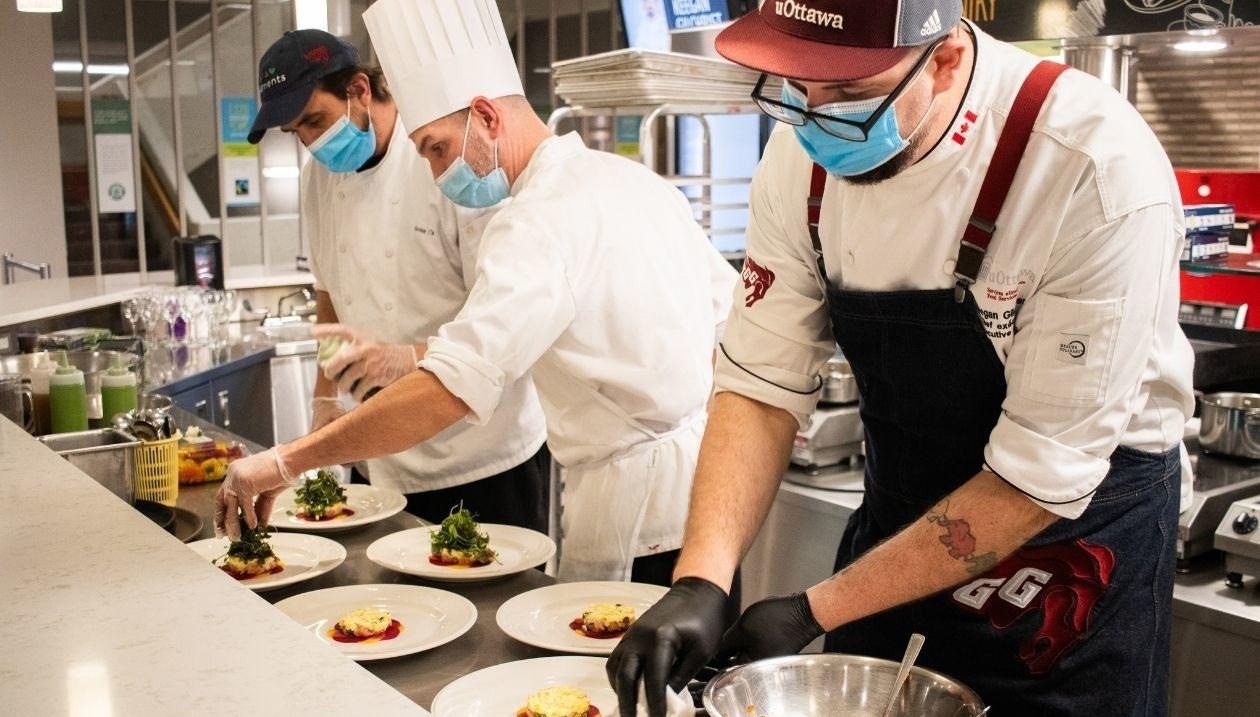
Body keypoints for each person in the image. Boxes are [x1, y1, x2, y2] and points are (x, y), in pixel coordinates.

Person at [609, 1, 1195, 715]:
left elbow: (1037, 477)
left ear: (945, 58)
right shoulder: (800, 157)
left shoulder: (1091, 167)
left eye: (850, 94)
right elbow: (760, 384)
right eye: (796, 88)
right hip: (900, 524)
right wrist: (701, 577)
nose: (814, 119)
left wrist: (814, 608)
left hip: (1068, 560)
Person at [216, 0, 739, 586]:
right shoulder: (636, 181)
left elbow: (450, 387)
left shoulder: (533, 221)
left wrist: (286, 460)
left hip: (632, 513)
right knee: (703, 677)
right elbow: (735, 319)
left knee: (624, 673)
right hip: (712, 506)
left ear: (487, 116)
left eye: (437, 148)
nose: (439, 174)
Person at [243, 30, 550, 530]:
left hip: (482, 454)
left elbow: (499, 317)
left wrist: (405, 360)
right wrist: (325, 397)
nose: (311, 144)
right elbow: (329, 296)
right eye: (295, 132)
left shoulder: (446, 159)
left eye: (315, 121)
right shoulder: (317, 180)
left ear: (360, 90)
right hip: (379, 455)